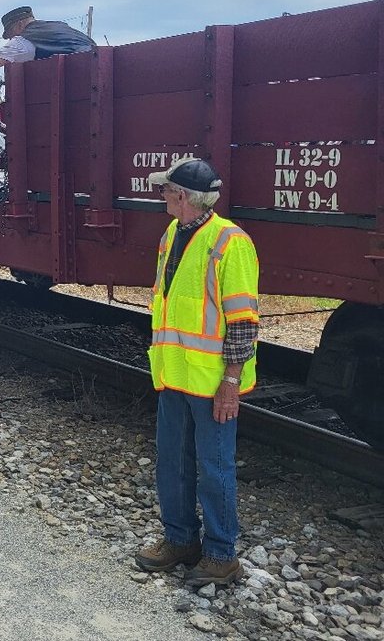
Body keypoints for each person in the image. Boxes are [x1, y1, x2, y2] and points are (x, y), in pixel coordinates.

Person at [134, 157, 258, 588]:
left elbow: (242, 321)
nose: (162, 197)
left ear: (182, 196)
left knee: (214, 467)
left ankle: (222, 555)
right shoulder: (173, 233)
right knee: (173, 462)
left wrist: (230, 383)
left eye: (166, 191)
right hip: (174, 375)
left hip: (210, 382)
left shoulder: (230, 242)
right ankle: (180, 540)